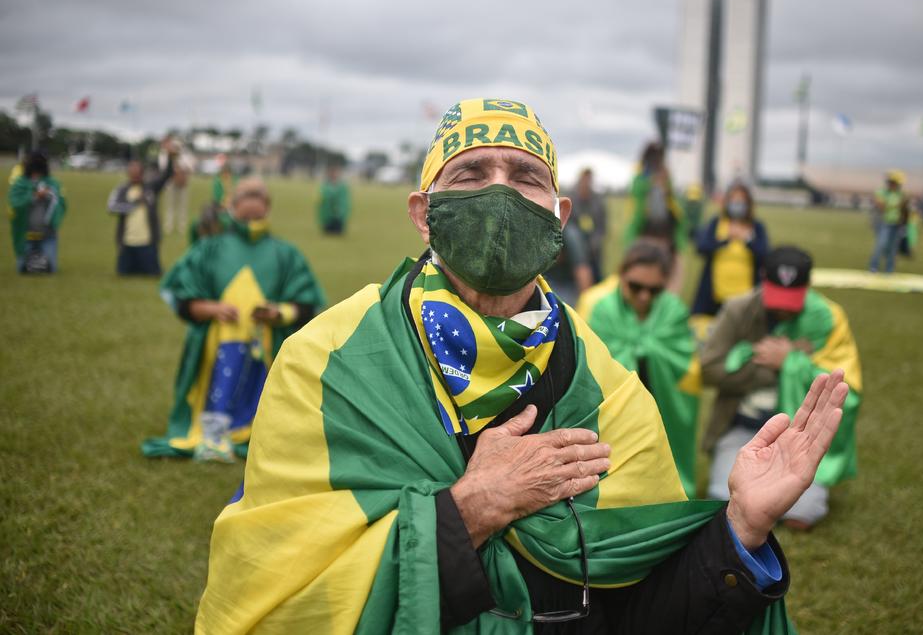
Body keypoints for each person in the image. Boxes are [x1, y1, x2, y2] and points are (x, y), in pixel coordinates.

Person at [197, 98, 852, 634]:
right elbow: (280, 593)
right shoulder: (324, 362)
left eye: (526, 176)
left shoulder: (612, 391)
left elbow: (643, 614)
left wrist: (739, 530)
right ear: (423, 214)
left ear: (559, 216)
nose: (501, 193)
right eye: (471, 174)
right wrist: (470, 509)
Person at [141, 178, 325, 462]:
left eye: (258, 196)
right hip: (215, 348)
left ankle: (257, 432)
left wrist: (277, 313)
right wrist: (212, 309)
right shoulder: (209, 249)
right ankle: (212, 435)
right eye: (245, 197)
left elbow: (306, 304)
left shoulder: (285, 254)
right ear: (232, 205)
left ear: (268, 206)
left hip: (265, 349)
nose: (252, 203)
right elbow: (184, 300)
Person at [701, 246, 862, 531]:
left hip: (795, 437)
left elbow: (844, 385)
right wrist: (772, 368)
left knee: (803, 515)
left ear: (808, 287)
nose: (783, 308)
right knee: (722, 505)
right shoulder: (738, 309)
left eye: (792, 301)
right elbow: (709, 369)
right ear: (763, 279)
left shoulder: (827, 318)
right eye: (776, 298)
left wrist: (790, 362)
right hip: (743, 427)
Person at [586, 239, 702, 496]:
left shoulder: (673, 310)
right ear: (621, 275)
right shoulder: (603, 309)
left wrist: (638, 349)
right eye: (636, 286)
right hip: (617, 406)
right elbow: (595, 361)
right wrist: (646, 348)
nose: (644, 296)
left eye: (654, 290)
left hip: (664, 399)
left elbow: (682, 359)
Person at [692, 183, 769, 316]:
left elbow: (765, 256)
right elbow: (702, 247)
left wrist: (748, 239)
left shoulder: (756, 227)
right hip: (715, 297)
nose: (737, 204)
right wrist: (725, 240)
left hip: (746, 297)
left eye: (741, 200)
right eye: (734, 199)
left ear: (748, 203)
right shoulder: (716, 223)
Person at [624, 142, 688, 290]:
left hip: (667, 240)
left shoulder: (666, 179)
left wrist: (665, 186)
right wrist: (650, 184)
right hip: (645, 237)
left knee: (671, 283)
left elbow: (674, 209)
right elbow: (637, 208)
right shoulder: (640, 178)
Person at [107, 145, 177, 275]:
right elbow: (111, 207)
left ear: (142, 173)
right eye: (132, 173)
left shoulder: (151, 188)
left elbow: (167, 175)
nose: (135, 176)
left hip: (147, 244)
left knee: (153, 274)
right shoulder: (122, 190)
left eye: (138, 173)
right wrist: (134, 203)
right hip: (127, 244)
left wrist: (170, 157)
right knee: (123, 274)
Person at [7, 151, 66, 274]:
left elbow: (61, 204)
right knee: (23, 270)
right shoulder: (20, 183)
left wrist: (49, 194)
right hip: (25, 235)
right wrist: (34, 196)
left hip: (47, 234)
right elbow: (15, 204)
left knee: (50, 270)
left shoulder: (52, 183)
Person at [567, 167, 607, 282]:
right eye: (584, 179)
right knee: (573, 235)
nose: (586, 182)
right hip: (574, 239)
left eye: (589, 180)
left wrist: (595, 242)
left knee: (595, 259)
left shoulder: (597, 200)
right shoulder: (572, 197)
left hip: (592, 239)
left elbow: (601, 226)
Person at [543, 219, 593, 306]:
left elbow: (582, 271)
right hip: (545, 280)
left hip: (565, 285)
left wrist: (586, 305)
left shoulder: (570, 234)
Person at [867, 170, 909, 273]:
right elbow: (881, 207)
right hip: (884, 223)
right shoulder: (881, 192)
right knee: (881, 245)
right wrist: (896, 205)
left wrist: (904, 223)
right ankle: (873, 267)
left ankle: (889, 270)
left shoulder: (902, 194)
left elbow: (904, 210)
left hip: (897, 224)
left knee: (893, 248)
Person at [163, 139, 193, 236]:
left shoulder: (185, 157)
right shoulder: (168, 157)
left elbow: (190, 168)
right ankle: (168, 227)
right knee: (170, 207)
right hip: (171, 184)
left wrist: (182, 169)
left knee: (182, 207)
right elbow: (164, 169)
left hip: (183, 185)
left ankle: (181, 227)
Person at [318, 164, 351, 234]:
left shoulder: (342, 187)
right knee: (327, 232)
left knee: (338, 232)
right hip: (328, 215)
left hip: (338, 215)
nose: (334, 175)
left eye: (335, 173)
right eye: (332, 173)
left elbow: (344, 202)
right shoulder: (326, 186)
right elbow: (322, 200)